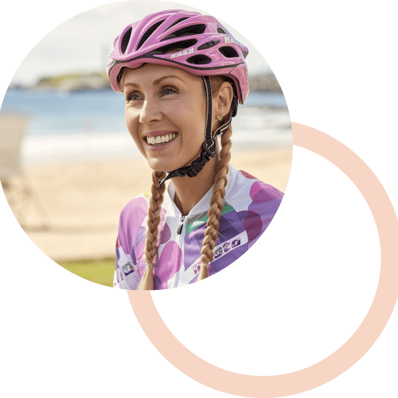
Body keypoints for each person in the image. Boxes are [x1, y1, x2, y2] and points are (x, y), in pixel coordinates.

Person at [107, 9, 285, 292]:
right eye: (134, 96)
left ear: (223, 101)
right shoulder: (133, 220)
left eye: (168, 90)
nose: (146, 115)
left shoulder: (276, 218)